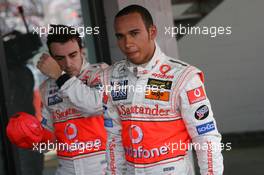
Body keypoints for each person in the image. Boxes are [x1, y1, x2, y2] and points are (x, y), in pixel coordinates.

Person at [39, 5, 224, 175]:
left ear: (152, 32)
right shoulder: (110, 76)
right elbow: (114, 139)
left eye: (134, 33)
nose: (127, 43)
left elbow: (206, 137)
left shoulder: (183, 76)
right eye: (120, 36)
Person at [7, 25, 108, 175]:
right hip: (66, 169)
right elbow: (49, 139)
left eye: (73, 55)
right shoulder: (47, 87)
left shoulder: (102, 73)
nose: (67, 64)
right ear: (51, 58)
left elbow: (95, 106)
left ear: (82, 51)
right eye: (60, 58)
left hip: (103, 168)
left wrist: (61, 78)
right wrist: (33, 137)